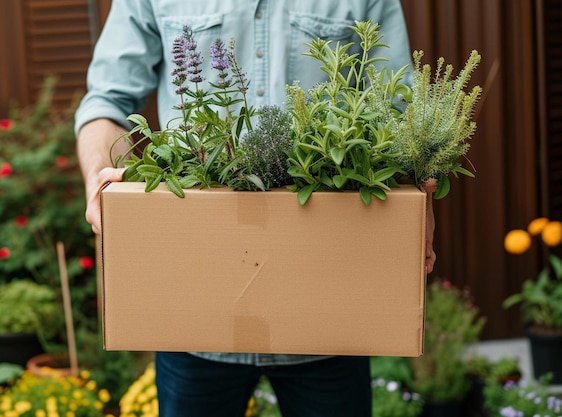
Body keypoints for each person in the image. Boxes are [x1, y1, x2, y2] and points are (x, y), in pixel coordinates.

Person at [75, 1, 436, 416]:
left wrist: (418, 203)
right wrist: (99, 178)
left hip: (326, 311)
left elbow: (399, 109)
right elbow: (107, 99)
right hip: (196, 313)